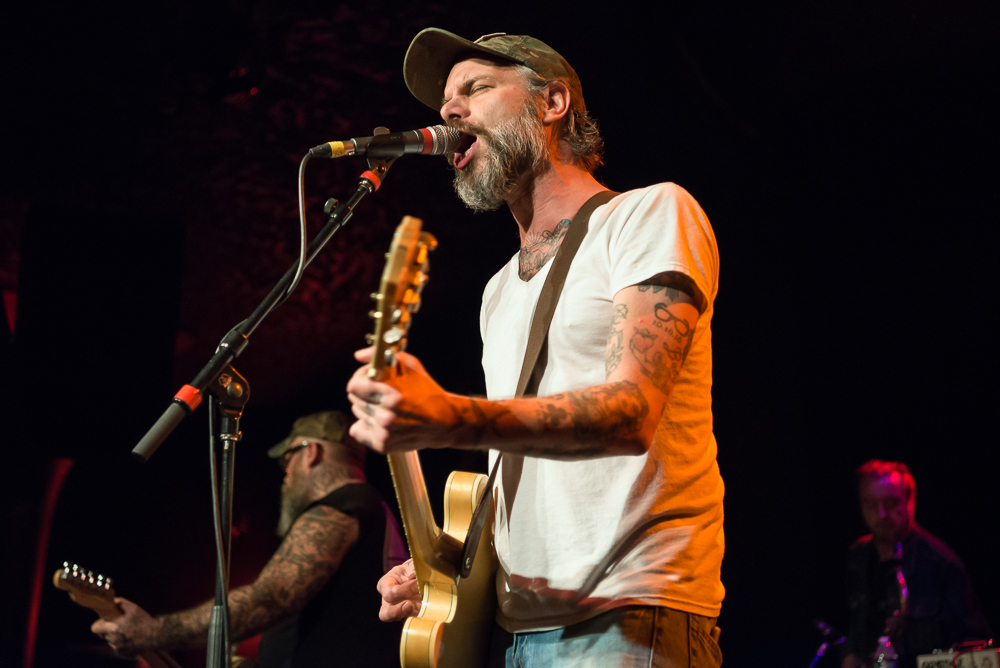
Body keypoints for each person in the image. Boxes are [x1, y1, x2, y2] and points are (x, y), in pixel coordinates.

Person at [346, 29, 724, 667]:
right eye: (445, 106)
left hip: (628, 618)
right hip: (521, 630)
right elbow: (523, 465)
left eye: (477, 89)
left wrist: (446, 416)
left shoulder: (647, 215)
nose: (451, 113)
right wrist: (445, 568)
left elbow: (629, 414)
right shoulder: (498, 290)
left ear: (553, 103)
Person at [92, 410, 407, 667]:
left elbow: (270, 597)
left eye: (287, 460)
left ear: (310, 452)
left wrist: (153, 632)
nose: (285, 477)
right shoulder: (374, 509)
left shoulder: (341, 508)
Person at [841, 460, 991, 668]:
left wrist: (910, 633)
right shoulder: (858, 555)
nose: (881, 514)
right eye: (870, 504)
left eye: (891, 503)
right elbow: (856, 622)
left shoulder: (941, 562)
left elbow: (972, 637)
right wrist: (850, 653)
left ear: (911, 501)